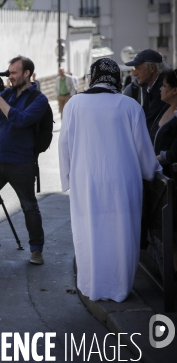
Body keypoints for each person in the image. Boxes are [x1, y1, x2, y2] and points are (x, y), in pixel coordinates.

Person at [58, 58, 160, 302]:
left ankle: (91, 285)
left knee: (89, 231)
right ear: (115, 77)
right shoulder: (130, 106)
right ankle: (120, 287)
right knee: (121, 232)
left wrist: (67, 179)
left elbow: (64, 145)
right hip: (123, 182)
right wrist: (151, 170)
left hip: (86, 180)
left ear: (93, 77)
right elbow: (144, 151)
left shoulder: (75, 104)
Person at [0, 56, 48, 265]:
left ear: (27, 74)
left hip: (22, 162)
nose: (10, 76)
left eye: (14, 73)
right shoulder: (7, 93)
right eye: (9, 72)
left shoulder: (38, 99)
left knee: (29, 206)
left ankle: (36, 250)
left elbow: (20, 120)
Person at [126, 49, 170, 131]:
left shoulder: (165, 89)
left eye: (138, 68)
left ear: (152, 68)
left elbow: (149, 123)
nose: (135, 73)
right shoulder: (152, 87)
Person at [152, 69, 177, 179]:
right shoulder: (165, 107)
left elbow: (174, 152)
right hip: (157, 174)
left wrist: (153, 160)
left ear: (175, 90)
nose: (160, 89)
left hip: (170, 177)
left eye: (164, 86)